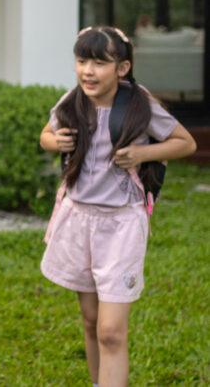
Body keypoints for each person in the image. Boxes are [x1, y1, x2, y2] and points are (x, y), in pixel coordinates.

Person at [39, 26, 196, 387]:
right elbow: (46, 134)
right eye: (82, 61)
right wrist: (54, 141)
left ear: (122, 68)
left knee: (111, 331)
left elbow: (184, 143)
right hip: (78, 221)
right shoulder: (72, 101)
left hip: (122, 224)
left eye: (100, 63)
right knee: (91, 321)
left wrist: (143, 152)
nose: (88, 71)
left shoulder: (139, 103)